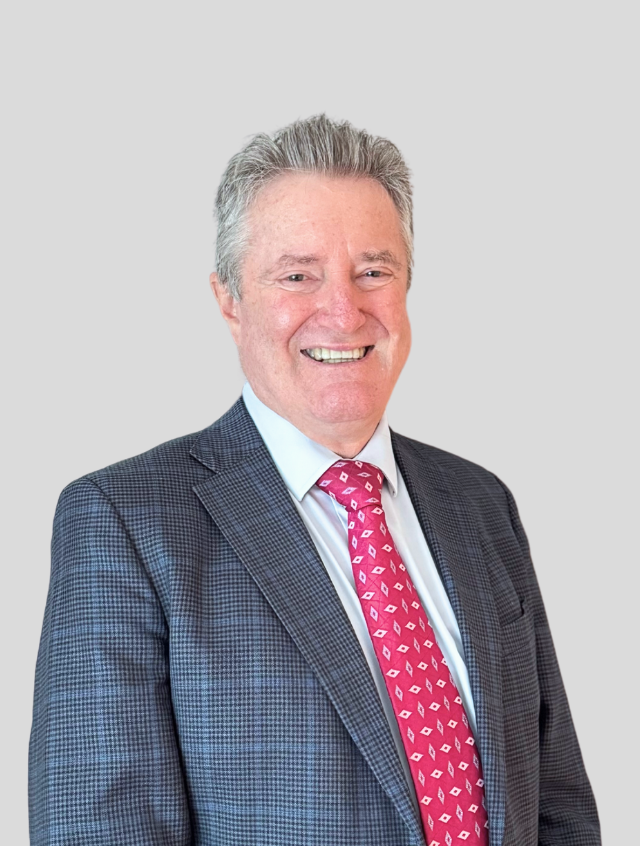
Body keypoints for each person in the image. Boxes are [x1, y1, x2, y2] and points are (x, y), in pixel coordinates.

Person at [29, 114, 600, 846]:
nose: (343, 311)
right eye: (298, 276)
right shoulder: (126, 523)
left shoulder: (480, 504)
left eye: (373, 272)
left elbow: (558, 810)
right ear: (230, 300)